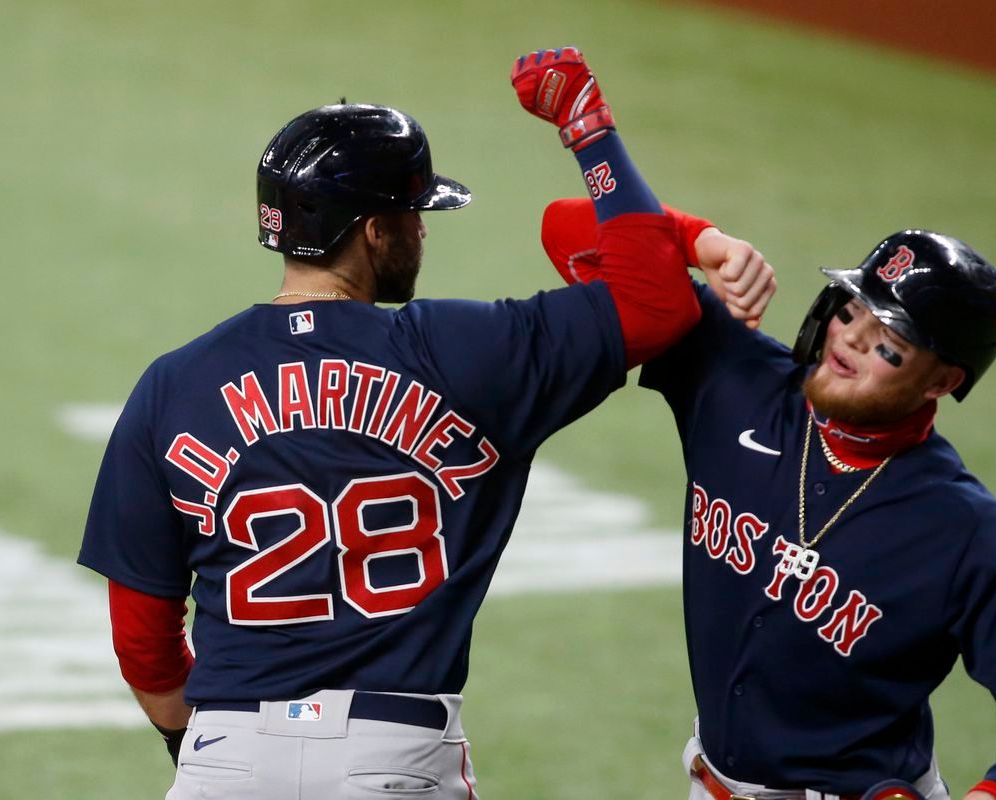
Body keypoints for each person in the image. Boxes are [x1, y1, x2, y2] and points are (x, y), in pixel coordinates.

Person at [77, 47, 708, 799]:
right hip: (392, 754)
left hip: (227, 752)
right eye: (413, 213)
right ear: (375, 232)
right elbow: (657, 297)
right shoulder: (467, 352)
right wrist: (589, 131)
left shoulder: (172, 384)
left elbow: (141, 640)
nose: (422, 231)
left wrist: (214, 749)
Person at [540, 204, 996, 800]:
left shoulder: (958, 526)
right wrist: (705, 242)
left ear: (940, 382)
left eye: (889, 343)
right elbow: (566, 230)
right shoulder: (736, 379)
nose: (851, 338)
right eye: (852, 310)